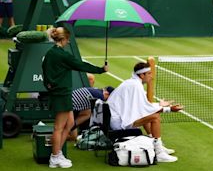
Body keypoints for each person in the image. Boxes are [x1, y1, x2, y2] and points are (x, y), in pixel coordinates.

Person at [42, 26, 108, 168]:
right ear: (64, 39)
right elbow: (81, 65)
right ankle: (54, 158)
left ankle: (58, 153)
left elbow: (45, 75)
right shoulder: (63, 55)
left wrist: (50, 86)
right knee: (59, 127)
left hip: (60, 94)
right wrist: (101, 70)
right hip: (62, 95)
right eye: (68, 39)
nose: (68, 42)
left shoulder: (50, 53)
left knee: (69, 125)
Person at [107, 62, 183, 163]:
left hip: (116, 119)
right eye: (149, 73)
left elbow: (143, 107)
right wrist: (169, 109)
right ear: (142, 75)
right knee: (155, 117)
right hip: (118, 123)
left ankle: (155, 145)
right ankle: (159, 152)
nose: (152, 77)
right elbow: (145, 108)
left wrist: (160, 105)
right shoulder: (135, 86)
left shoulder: (133, 83)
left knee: (148, 114)